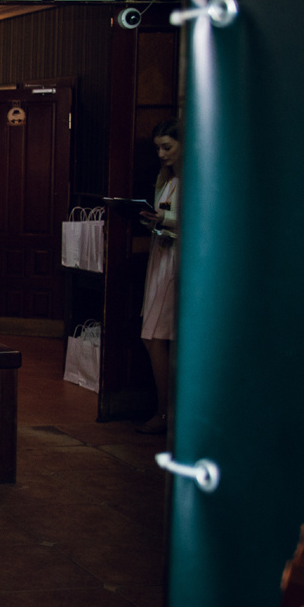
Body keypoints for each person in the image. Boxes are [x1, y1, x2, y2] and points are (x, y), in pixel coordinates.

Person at [137, 117, 180, 435]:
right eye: (158, 149)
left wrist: (163, 217)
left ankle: (167, 413)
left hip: (177, 260)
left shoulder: (192, 180)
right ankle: (165, 410)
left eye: (168, 147)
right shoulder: (166, 180)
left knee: (155, 336)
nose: (162, 154)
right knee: (155, 336)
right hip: (161, 255)